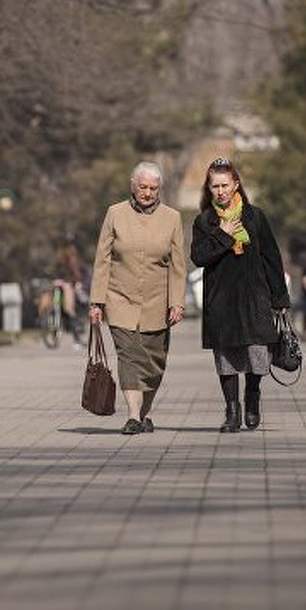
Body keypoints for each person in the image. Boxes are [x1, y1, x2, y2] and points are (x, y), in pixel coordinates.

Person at [190, 158, 290, 433]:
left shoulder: (255, 217)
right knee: (227, 358)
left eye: (225, 185)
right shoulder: (204, 221)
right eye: (215, 186)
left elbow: (272, 258)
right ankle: (232, 411)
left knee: (257, 355)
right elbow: (198, 257)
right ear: (209, 189)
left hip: (254, 297)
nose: (221, 191)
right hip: (221, 300)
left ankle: (253, 398)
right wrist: (222, 235)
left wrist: (279, 298)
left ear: (236, 185)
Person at [88, 161, 186, 435]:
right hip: (120, 299)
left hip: (158, 301)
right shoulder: (115, 213)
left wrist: (177, 302)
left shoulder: (172, 218)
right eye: (142, 187)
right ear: (133, 186)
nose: (147, 193)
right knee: (129, 355)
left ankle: (143, 414)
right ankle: (132, 415)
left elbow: (178, 266)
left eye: (153, 188)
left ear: (159, 189)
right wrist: (97, 301)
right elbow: (102, 260)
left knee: (154, 363)